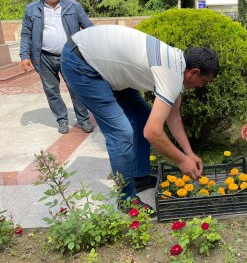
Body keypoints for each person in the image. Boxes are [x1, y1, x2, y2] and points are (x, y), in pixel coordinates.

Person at [60, 24, 219, 211]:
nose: (201, 86)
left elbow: (173, 116)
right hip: (81, 62)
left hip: (103, 63)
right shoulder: (171, 75)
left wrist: (189, 153)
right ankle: (126, 200)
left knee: (143, 115)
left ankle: (139, 176)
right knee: (121, 133)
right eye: (204, 81)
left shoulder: (177, 64)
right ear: (194, 72)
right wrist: (182, 160)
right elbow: (152, 132)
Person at [19, 0, 94, 134]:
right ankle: (62, 120)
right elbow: (26, 34)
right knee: (52, 91)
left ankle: (84, 119)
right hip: (44, 57)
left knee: (76, 89)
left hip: (70, 56)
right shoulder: (32, 9)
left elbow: (89, 29)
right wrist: (24, 56)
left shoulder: (73, 6)